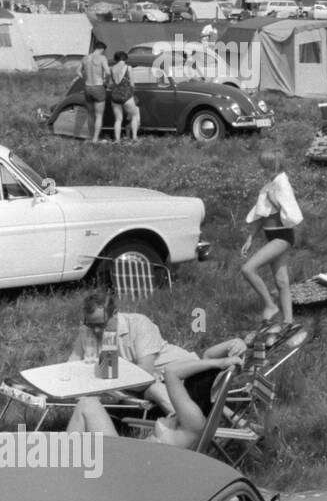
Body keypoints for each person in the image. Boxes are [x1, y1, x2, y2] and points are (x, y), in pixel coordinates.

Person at [69, 290, 243, 413]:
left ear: (115, 314)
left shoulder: (138, 324)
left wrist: (105, 374)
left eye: (101, 324)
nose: (96, 331)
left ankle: (189, 430)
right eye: (90, 324)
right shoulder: (88, 331)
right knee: (153, 389)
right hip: (150, 383)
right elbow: (71, 368)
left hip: (186, 376)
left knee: (154, 389)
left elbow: (144, 376)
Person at [67, 344, 247, 450]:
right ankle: (67, 467)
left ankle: (62, 472)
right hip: (134, 456)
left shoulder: (193, 418)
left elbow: (171, 372)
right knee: (87, 404)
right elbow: (206, 357)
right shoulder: (203, 415)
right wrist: (234, 345)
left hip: (130, 468)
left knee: (87, 404)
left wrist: (221, 363)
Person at [241, 149, 302, 327]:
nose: (262, 169)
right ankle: (288, 322)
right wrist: (250, 238)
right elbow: (262, 214)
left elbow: (290, 213)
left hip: (282, 237)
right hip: (273, 236)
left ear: (273, 165)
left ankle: (270, 305)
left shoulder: (282, 184)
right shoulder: (270, 184)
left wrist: (274, 200)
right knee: (282, 281)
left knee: (248, 269)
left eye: (265, 166)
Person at [77, 39, 111, 144]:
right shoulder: (102, 58)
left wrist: (83, 77)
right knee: (99, 115)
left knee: (90, 114)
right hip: (98, 86)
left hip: (87, 87)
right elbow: (108, 72)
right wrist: (106, 82)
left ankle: (91, 137)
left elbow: (78, 71)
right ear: (102, 49)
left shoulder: (85, 58)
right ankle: (96, 139)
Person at [107, 51, 140, 143]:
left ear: (116, 59)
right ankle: (134, 138)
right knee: (134, 116)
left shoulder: (112, 69)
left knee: (118, 119)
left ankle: (117, 140)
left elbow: (110, 84)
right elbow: (132, 84)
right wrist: (132, 93)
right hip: (126, 95)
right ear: (125, 59)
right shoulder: (128, 68)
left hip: (115, 96)